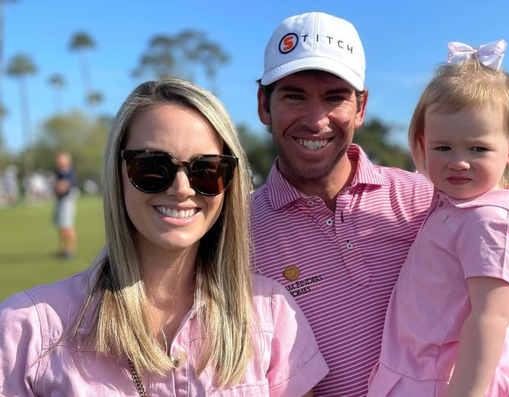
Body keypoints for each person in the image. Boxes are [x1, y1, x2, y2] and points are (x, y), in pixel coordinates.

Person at [252, 12, 509, 396]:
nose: (316, 120)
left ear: (361, 107)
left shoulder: (434, 199)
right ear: (263, 105)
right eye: (294, 95)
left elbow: (500, 319)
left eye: (335, 97)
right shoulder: (236, 230)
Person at [0, 79, 327, 396]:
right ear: (118, 174)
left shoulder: (271, 313)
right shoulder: (28, 330)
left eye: (207, 170)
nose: (182, 188)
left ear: (229, 182)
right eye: (153, 167)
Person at [367, 41, 509, 396]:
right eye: (442, 147)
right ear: (422, 144)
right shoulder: (455, 205)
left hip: (455, 381)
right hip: (424, 370)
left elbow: (491, 319)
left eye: (478, 148)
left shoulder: (490, 222)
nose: (458, 161)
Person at [53, 151, 78, 258]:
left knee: (67, 226)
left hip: (66, 202)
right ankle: (65, 248)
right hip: (61, 201)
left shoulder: (68, 173)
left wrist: (58, 186)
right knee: (62, 226)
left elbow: (63, 187)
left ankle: (71, 249)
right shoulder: (60, 173)